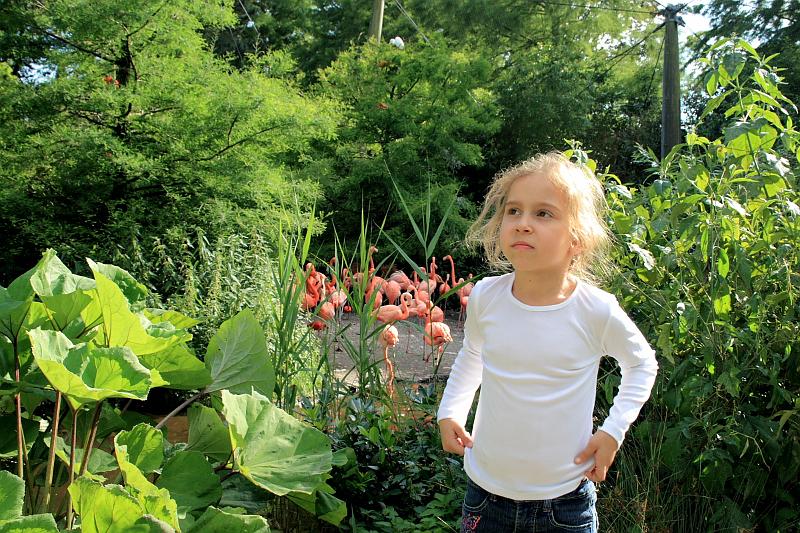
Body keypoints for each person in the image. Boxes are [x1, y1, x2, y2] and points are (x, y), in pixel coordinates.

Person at [437, 152, 658, 532]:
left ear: (578, 238)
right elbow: (472, 355)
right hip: (486, 497)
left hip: (563, 504)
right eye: (513, 211)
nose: (523, 224)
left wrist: (613, 430)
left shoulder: (594, 310)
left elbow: (642, 364)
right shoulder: (486, 296)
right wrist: (450, 410)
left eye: (543, 214)